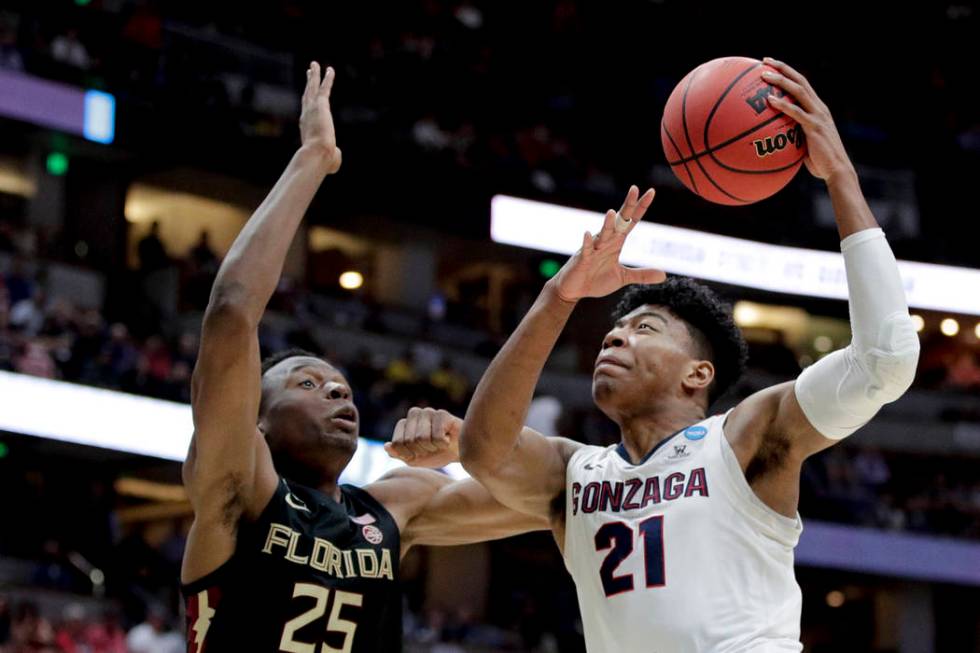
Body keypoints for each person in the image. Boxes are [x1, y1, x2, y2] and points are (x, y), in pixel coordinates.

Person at [458, 57, 920, 652]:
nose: (615, 337)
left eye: (644, 327)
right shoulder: (575, 474)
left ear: (698, 374)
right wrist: (559, 295)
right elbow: (483, 450)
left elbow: (885, 357)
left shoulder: (744, 438)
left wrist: (841, 179)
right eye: (614, 330)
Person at [180, 62, 545, 653]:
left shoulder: (394, 506)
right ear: (258, 420)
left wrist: (467, 444)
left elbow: (552, 497)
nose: (336, 391)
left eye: (340, 387)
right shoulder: (237, 485)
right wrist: (312, 161)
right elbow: (230, 313)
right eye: (306, 383)